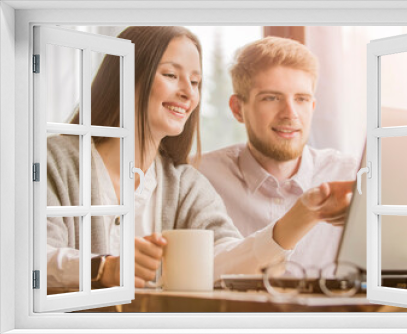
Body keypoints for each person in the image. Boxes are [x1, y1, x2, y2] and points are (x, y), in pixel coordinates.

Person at [46, 27, 348, 289]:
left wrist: (303, 215)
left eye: (195, 82)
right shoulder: (55, 161)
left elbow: (223, 260)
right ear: (126, 77)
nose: (188, 93)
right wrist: (105, 268)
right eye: (171, 75)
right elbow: (28, 257)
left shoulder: (185, 183)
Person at [198, 36, 358, 270]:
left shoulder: (352, 175)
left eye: (301, 99)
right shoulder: (199, 178)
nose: (290, 113)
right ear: (237, 109)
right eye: (271, 98)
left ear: (312, 107)